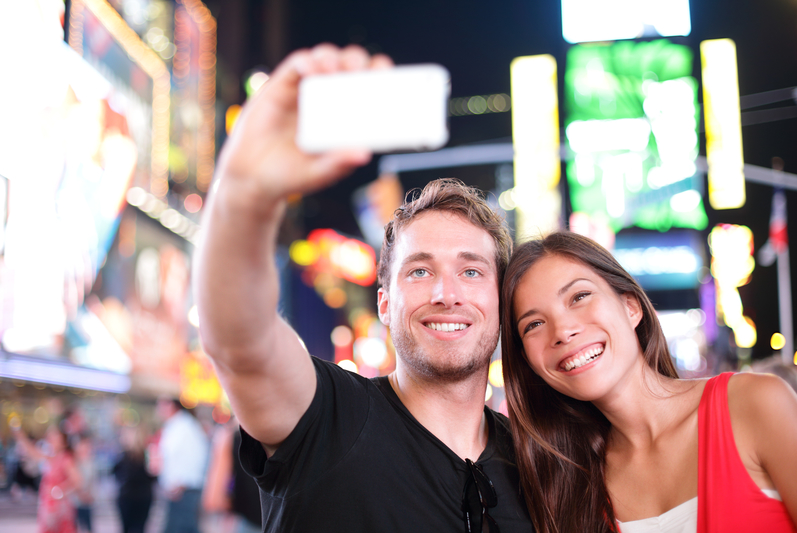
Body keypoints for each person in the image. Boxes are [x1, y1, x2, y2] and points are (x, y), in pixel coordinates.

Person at [194, 43, 532, 532]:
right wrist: (246, 190)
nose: (446, 292)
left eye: (472, 271)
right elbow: (239, 342)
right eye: (419, 270)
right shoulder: (326, 417)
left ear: (500, 303)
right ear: (385, 304)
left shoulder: (538, 465)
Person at [499, 231, 797, 533]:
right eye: (534, 324)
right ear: (528, 361)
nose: (562, 331)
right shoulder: (563, 487)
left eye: (579, 297)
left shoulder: (755, 404)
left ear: (631, 307)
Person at [12, 421, 82, 533]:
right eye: (50, 436)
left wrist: (60, 491)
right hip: (47, 504)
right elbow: (32, 452)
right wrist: (20, 436)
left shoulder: (66, 458)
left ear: (63, 442)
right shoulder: (50, 457)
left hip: (59, 507)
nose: (51, 438)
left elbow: (77, 481)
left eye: (55, 436)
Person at [153, 397, 209, 533]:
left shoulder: (185, 427)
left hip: (185, 491)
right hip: (177, 491)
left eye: (161, 405)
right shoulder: (174, 426)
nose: (158, 409)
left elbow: (198, 457)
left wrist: (181, 483)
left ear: (171, 405)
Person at [112, 426, 157, 533]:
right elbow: (154, 477)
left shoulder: (125, 457)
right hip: (143, 497)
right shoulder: (147, 455)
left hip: (128, 498)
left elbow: (115, 473)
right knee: (140, 528)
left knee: (126, 528)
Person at [72, 433, 96, 533]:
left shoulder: (91, 462)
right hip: (75, 501)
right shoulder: (73, 462)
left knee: (88, 526)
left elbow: (93, 482)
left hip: (87, 501)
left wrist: (91, 495)